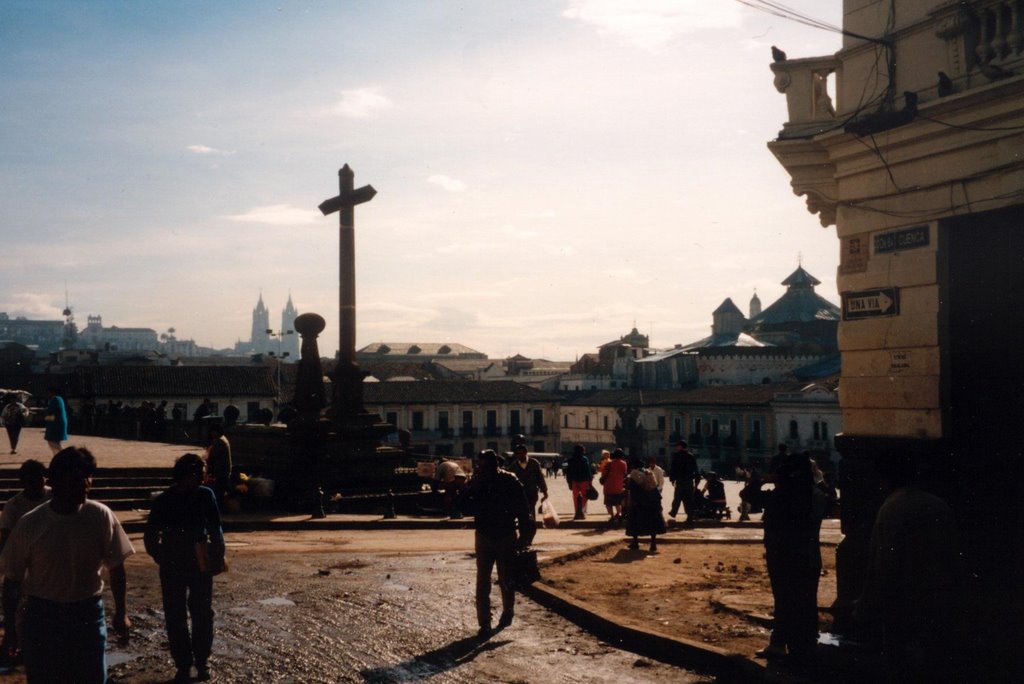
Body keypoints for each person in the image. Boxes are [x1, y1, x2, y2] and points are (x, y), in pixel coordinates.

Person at [0, 446, 134, 682]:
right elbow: (12, 580)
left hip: (88, 614)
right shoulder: (30, 524)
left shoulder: (101, 516)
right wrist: (10, 628)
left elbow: (117, 567)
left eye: (87, 476)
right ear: (57, 482)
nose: (85, 483)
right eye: (76, 477)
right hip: (42, 616)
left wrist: (121, 613)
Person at [853, 452, 959, 681]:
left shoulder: (891, 509)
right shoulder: (938, 504)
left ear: (887, 479)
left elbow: (882, 564)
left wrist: (866, 605)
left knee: (900, 665)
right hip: (938, 596)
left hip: (903, 601)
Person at [145, 453, 226, 683]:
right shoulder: (179, 498)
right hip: (183, 560)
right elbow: (151, 536)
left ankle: (196, 662)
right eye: (200, 475)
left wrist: (217, 556)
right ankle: (190, 663)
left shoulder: (184, 496)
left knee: (192, 613)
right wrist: (161, 556)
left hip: (188, 560)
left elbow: (215, 530)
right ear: (189, 475)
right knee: (185, 613)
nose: (203, 479)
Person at [757, 450, 825, 669]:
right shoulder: (815, 495)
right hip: (810, 556)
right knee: (806, 602)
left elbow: (748, 495)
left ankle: (782, 646)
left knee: (784, 601)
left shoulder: (781, 496)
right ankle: (804, 648)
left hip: (782, 556)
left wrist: (763, 480)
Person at [457, 449, 534, 639]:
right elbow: (523, 510)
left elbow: (523, 509)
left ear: (494, 465)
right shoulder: (505, 479)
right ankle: (491, 619)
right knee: (494, 578)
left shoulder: (507, 480)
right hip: (494, 533)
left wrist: (525, 535)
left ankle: (495, 617)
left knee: (496, 578)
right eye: (481, 466)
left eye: (485, 465)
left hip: (497, 534)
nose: (484, 469)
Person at [0, 459, 51, 665]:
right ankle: (11, 636)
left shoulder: (54, 496)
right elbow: (5, 537)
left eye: (38, 478)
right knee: (12, 600)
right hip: (21, 558)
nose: (34, 483)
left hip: (49, 558)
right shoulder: (14, 506)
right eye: (29, 480)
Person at [625, 457, 666, 552]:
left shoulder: (634, 474)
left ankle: (635, 543)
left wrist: (632, 502)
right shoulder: (649, 473)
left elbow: (633, 490)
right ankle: (653, 544)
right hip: (652, 501)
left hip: (640, 502)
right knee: (653, 522)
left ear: (633, 466)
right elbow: (655, 488)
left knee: (634, 521)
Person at [506, 443, 548, 520]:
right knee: (521, 512)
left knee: (531, 510)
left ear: (526, 453)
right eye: (518, 453)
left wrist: (544, 491)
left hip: (532, 492)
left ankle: (532, 527)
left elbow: (540, 478)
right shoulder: (513, 466)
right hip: (519, 493)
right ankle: (524, 528)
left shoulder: (534, 463)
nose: (520, 455)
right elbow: (509, 480)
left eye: (522, 453)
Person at [668, 440, 699, 526]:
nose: (676, 448)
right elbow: (695, 469)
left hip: (680, 480)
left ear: (681, 447)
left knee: (677, 497)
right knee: (688, 500)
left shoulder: (677, 456)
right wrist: (697, 481)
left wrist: (672, 479)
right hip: (689, 481)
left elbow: (673, 468)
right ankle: (690, 517)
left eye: (677, 446)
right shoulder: (691, 456)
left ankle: (673, 512)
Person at [205, 422, 233, 505]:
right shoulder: (223, 439)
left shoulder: (219, 441)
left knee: (217, 492)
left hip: (220, 471)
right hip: (224, 470)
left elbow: (212, 457)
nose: (211, 434)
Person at [565, 445, 593, 520]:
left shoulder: (571, 460)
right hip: (584, 480)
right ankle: (581, 511)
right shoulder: (584, 459)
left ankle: (577, 511)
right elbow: (588, 471)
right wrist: (590, 480)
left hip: (574, 481)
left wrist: (569, 482)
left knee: (575, 497)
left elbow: (568, 472)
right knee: (585, 496)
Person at [601, 449, 628, 524]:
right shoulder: (623, 463)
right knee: (617, 503)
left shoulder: (608, 463)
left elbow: (603, 474)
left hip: (608, 487)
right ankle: (618, 515)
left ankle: (612, 516)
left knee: (608, 503)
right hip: (618, 486)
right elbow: (624, 473)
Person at [42, 387, 68, 455]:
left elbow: (51, 411)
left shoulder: (54, 399)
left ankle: (64, 454)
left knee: (51, 441)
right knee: (57, 442)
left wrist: (44, 413)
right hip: (60, 422)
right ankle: (58, 455)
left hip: (56, 423)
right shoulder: (60, 399)